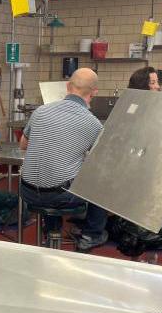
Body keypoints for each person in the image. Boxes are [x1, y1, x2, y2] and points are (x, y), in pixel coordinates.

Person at [19, 67, 107, 251]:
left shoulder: (41, 111)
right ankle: (92, 234)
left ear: (68, 86)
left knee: (53, 176)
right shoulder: (93, 123)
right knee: (98, 183)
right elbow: (100, 161)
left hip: (26, 191)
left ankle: (52, 229)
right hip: (59, 196)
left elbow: (23, 145)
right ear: (94, 93)